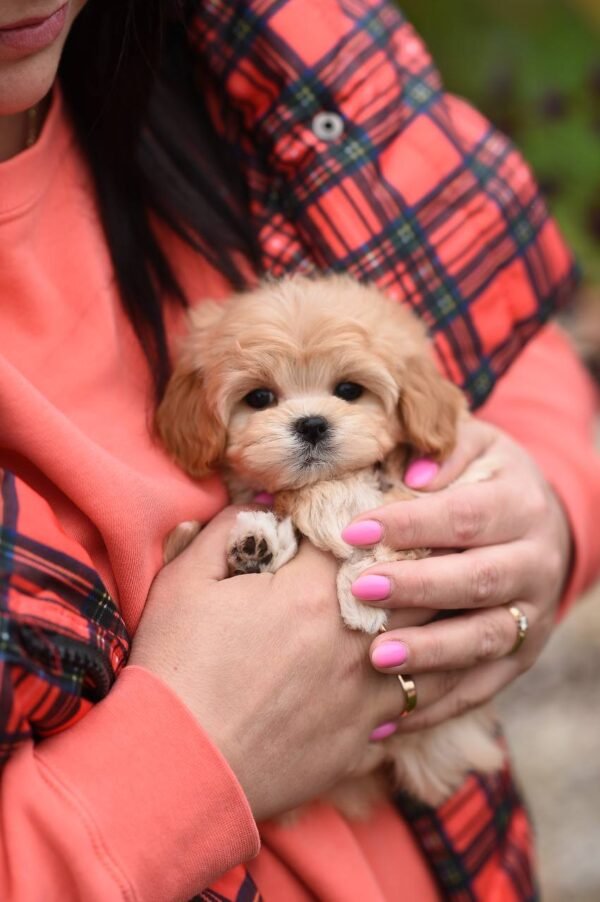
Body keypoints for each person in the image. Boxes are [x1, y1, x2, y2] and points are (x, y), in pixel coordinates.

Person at [1, 0, 599, 899]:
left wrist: (544, 511)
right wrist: (189, 751)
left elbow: (512, 346)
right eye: (263, 398)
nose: (312, 422)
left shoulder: (259, 37)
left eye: (347, 392)